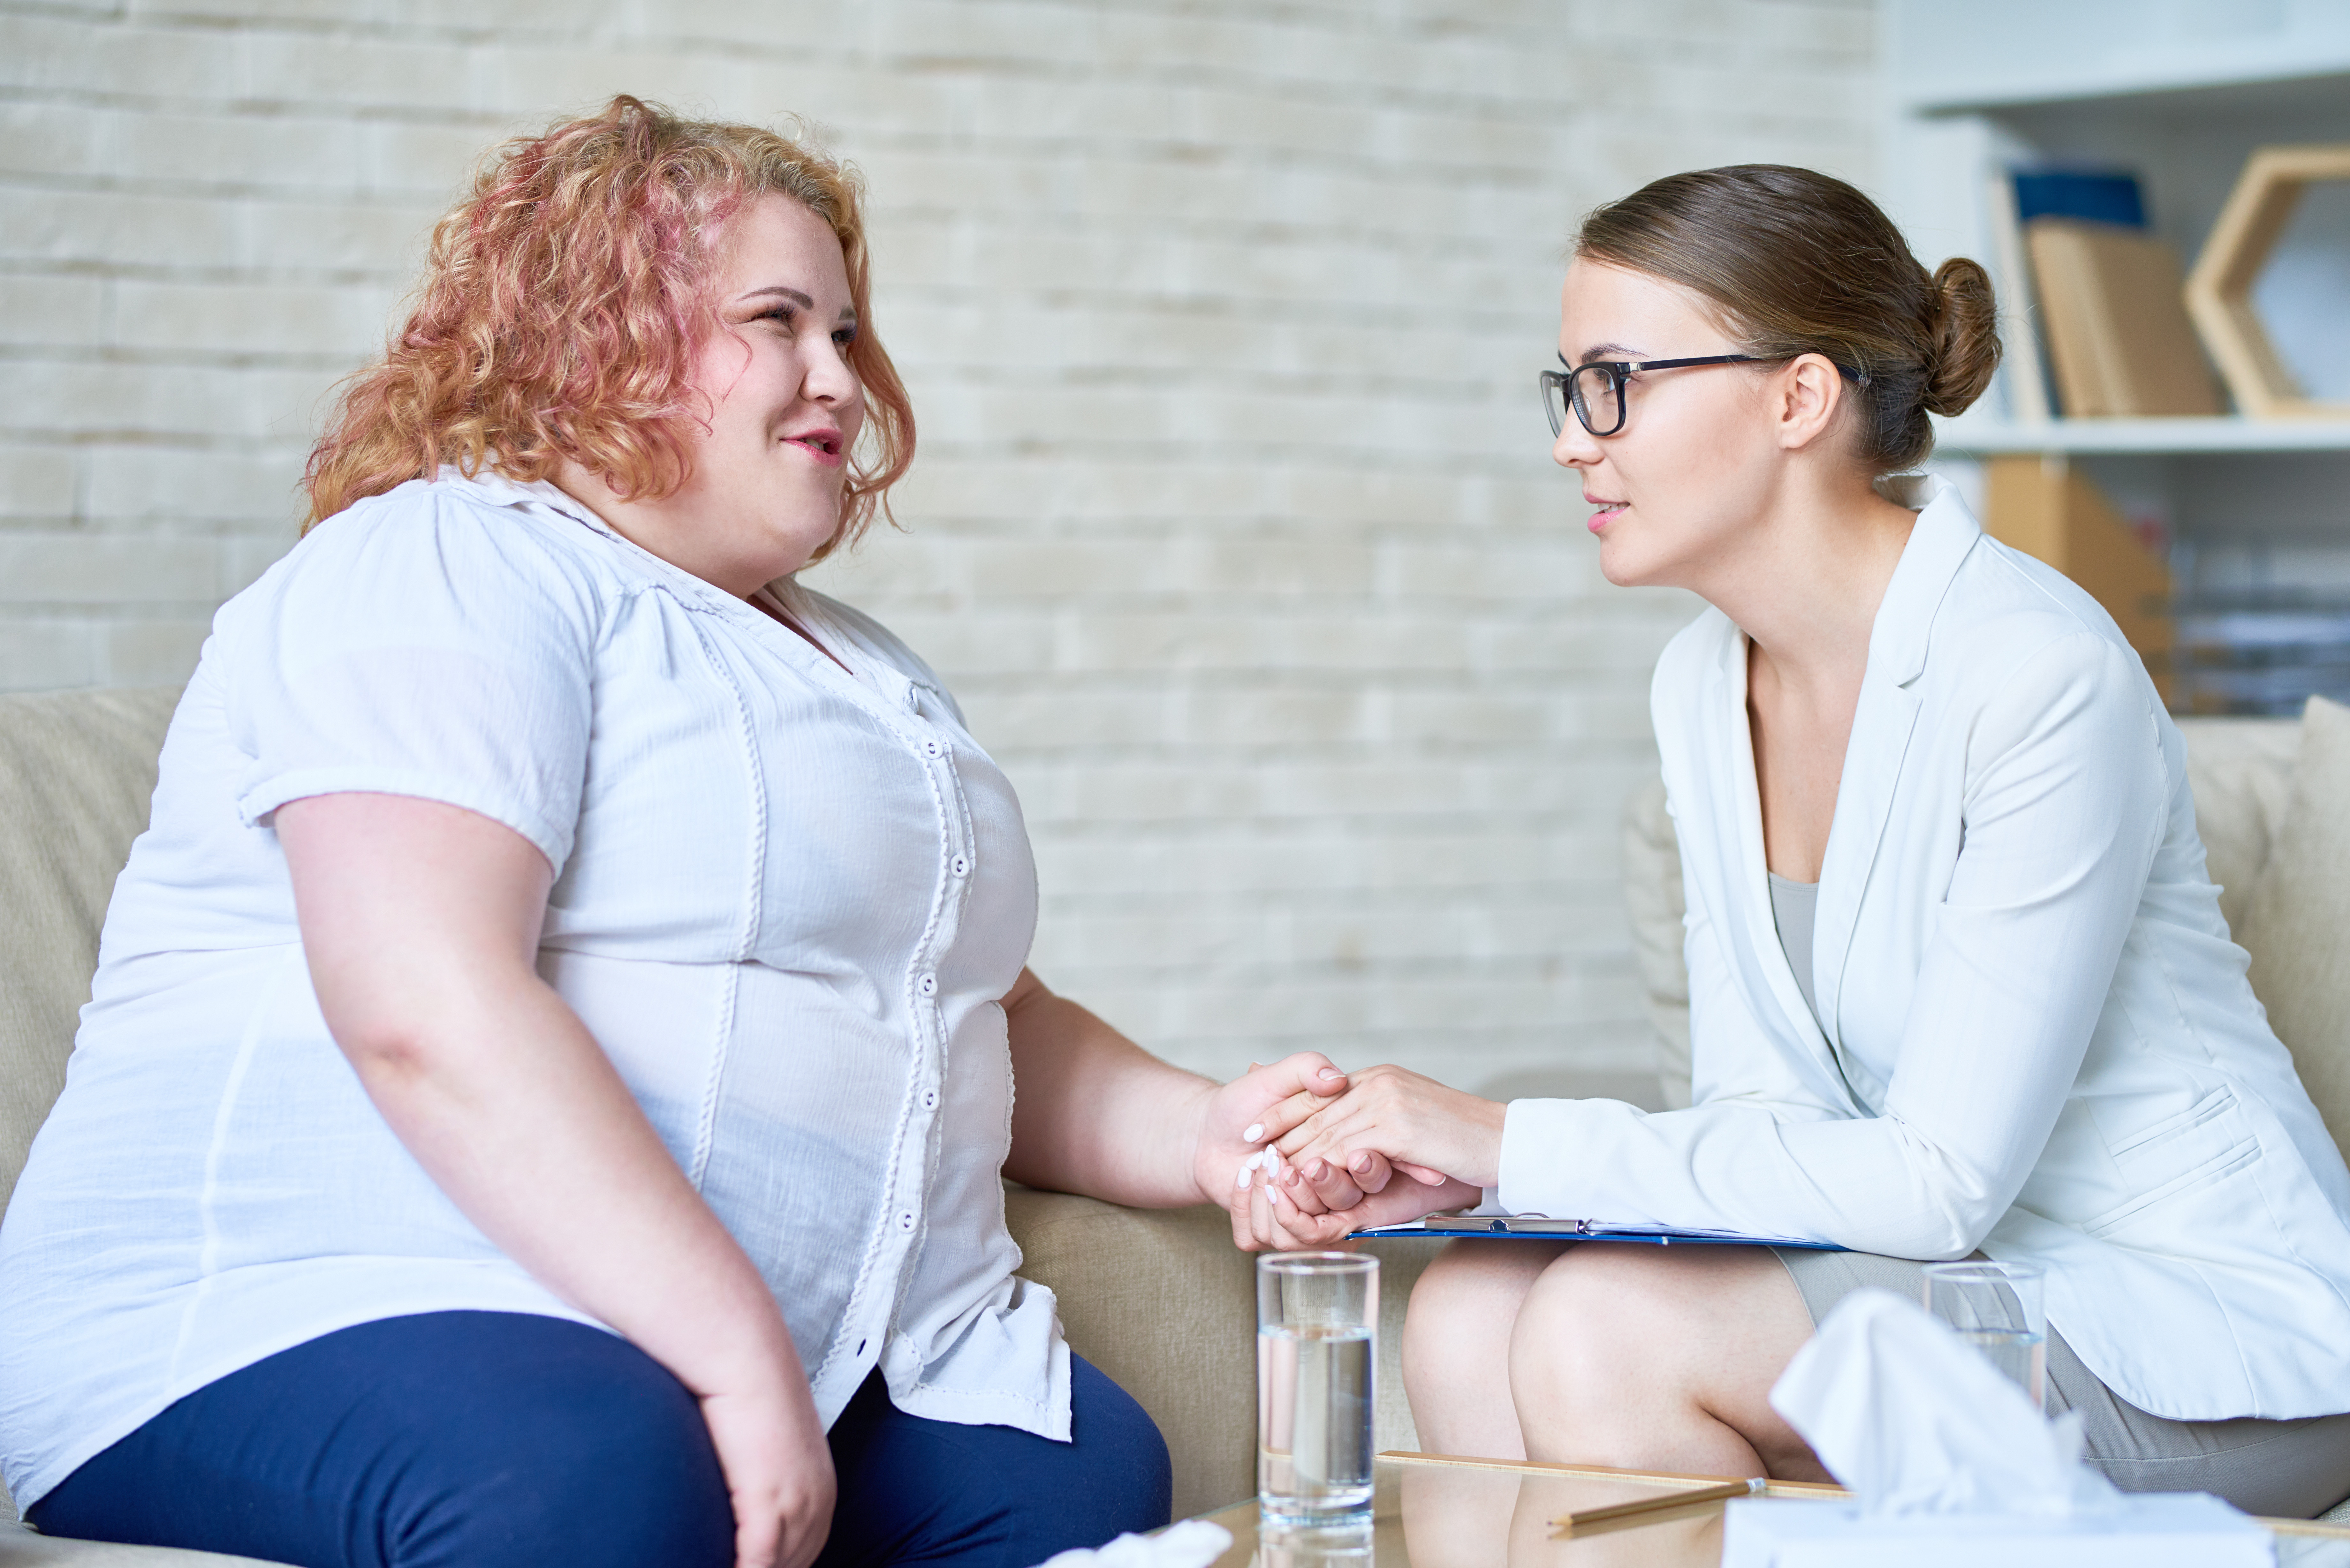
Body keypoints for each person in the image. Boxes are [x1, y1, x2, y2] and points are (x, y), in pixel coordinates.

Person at [0, 97, 1410, 1568]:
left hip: (764, 1335)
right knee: (592, 1473)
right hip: (323, 1293)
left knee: (1065, 1472)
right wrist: (734, 1356)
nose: (837, 379)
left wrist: (1206, 1129)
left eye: (847, 332)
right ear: (593, 335)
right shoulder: (445, 556)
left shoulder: (861, 667)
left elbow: (960, 1016)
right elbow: (426, 1005)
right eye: (777, 319)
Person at [1235, 164, 2350, 1519]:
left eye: (1614, 383)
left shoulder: (2038, 673)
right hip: (1951, 1283)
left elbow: (1939, 1181)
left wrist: (1508, 1136)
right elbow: (1765, 1116)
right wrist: (1482, 1186)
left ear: (1796, 398)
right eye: (1568, 389)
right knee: (1467, 1306)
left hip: (2194, 1337)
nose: (1572, 441)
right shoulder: (1700, 684)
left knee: (1608, 1332)